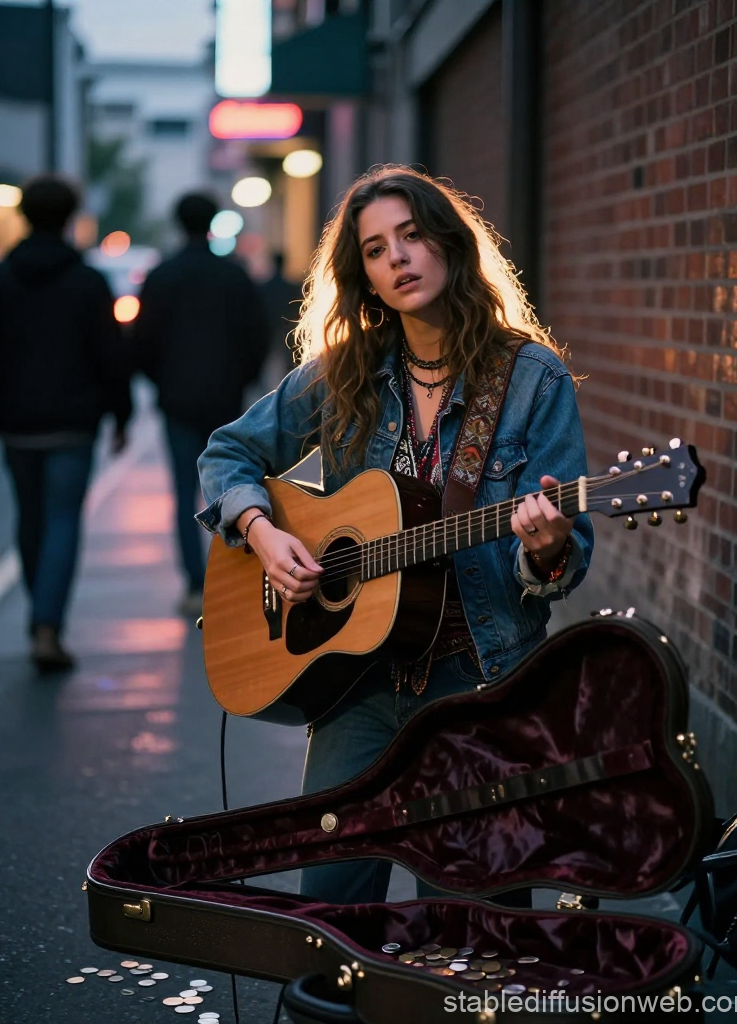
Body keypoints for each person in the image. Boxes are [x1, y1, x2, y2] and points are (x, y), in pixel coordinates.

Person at [196, 164, 595, 904]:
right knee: (333, 917)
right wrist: (260, 532)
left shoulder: (533, 378)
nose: (398, 259)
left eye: (411, 237)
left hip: (483, 681)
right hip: (359, 686)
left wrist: (546, 551)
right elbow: (229, 453)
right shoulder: (348, 373)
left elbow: (568, 560)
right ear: (365, 277)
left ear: (449, 243)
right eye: (376, 250)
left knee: (480, 925)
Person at [0, 175, 132, 671]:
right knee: (61, 521)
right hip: (74, 422)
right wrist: (122, 414)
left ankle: (41, 614)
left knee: (30, 521)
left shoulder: (5, 278)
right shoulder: (87, 281)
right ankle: (48, 625)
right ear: (70, 217)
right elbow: (110, 355)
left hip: (16, 423)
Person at [133, 193, 271, 616]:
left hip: (177, 399)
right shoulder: (233, 276)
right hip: (225, 396)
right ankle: (231, 578)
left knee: (183, 490)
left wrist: (163, 382)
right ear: (213, 221)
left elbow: (142, 343)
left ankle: (196, 584)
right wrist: (241, 378)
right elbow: (257, 336)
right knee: (232, 485)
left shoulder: (161, 276)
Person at [259, 251, 303, 376]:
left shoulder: (265, 287)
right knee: (287, 363)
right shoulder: (292, 287)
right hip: (287, 329)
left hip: (270, 328)